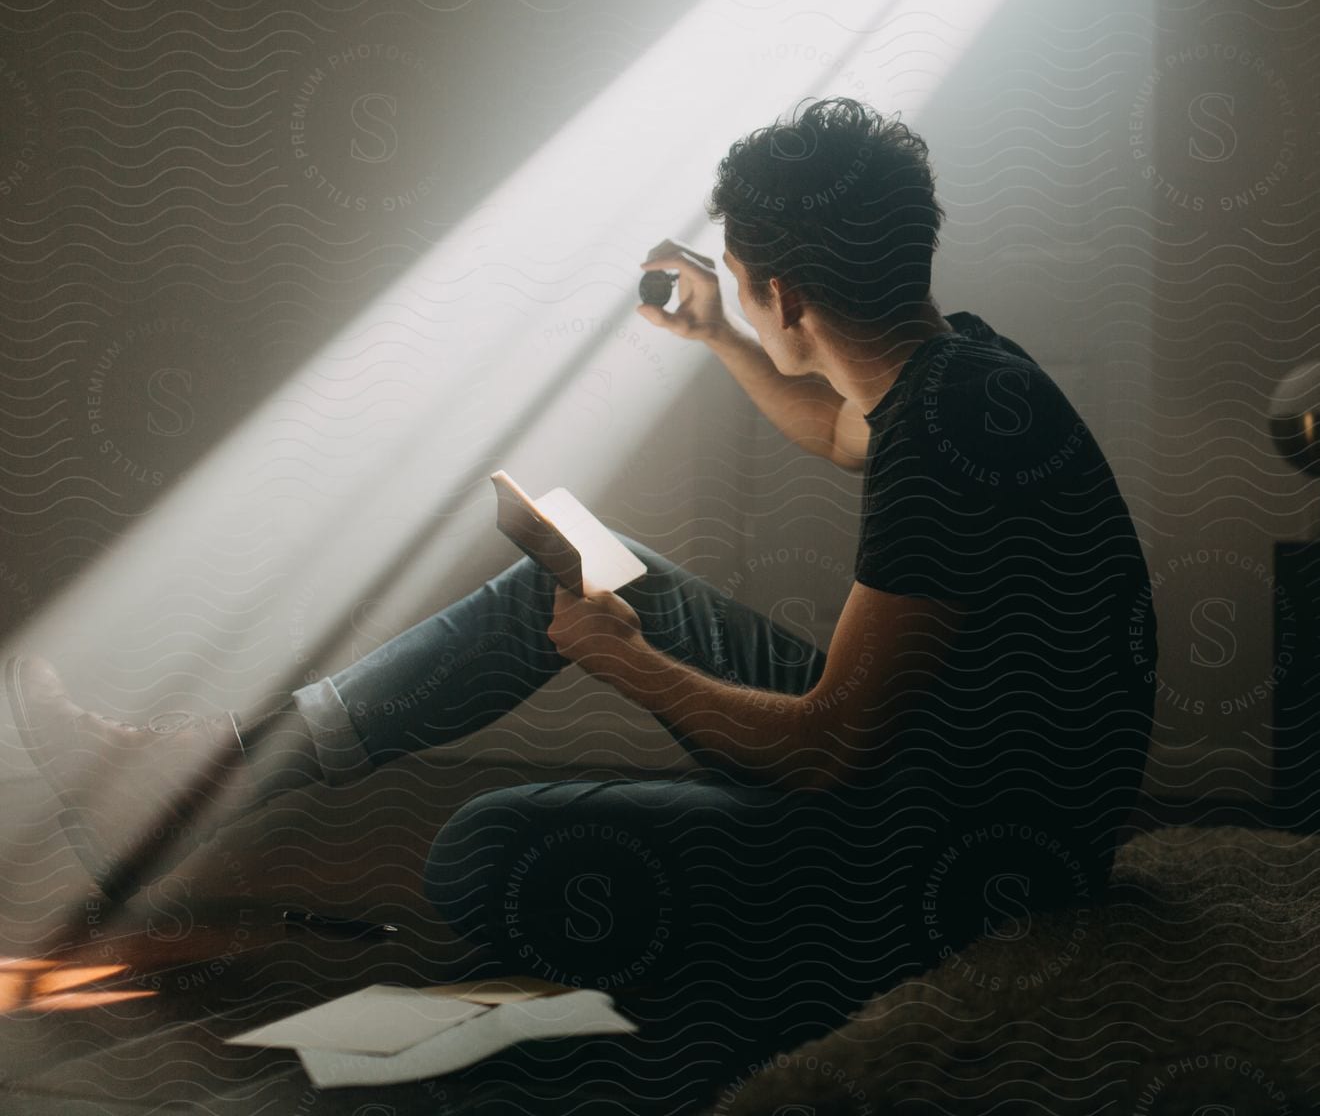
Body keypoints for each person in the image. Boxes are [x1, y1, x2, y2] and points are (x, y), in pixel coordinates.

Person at [8, 96, 1158, 1046]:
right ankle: (188, 778)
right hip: (979, 794)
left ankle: (185, 786)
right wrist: (722, 334)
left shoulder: (942, 434)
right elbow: (833, 425)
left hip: (966, 866)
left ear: (792, 294)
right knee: (603, 569)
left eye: (749, 283)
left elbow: (832, 746)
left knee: (486, 853)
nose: (749, 300)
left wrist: (630, 666)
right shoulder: (964, 375)